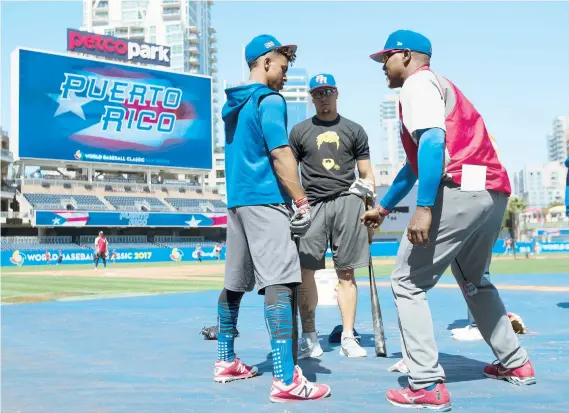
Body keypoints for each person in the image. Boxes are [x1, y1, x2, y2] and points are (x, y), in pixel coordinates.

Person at [362, 30, 535, 411]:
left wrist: (423, 208)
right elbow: (413, 165)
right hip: (492, 193)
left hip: (458, 189)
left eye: (386, 58)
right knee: (475, 281)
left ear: (405, 56)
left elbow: (433, 143)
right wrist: (385, 207)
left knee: (406, 281)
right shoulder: (441, 86)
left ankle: (425, 384)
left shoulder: (416, 84)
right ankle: (517, 364)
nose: (382, 67)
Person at [213, 34, 330, 403]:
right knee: (282, 282)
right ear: (265, 63)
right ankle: (285, 379)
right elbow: (280, 152)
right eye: (282, 65)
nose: (284, 74)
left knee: (235, 283)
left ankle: (225, 360)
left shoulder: (232, 104)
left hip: (237, 202)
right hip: (266, 200)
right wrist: (300, 199)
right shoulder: (269, 100)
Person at [289, 73, 375, 359]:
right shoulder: (300, 131)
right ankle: (310, 337)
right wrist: (297, 203)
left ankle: (348, 337)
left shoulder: (354, 130)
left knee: (347, 273)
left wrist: (371, 207)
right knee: (305, 274)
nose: (323, 98)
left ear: (336, 93)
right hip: (312, 205)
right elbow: (290, 172)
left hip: (347, 202)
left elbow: (366, 173)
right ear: (311, 97)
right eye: (317, 93)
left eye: (327, 92)